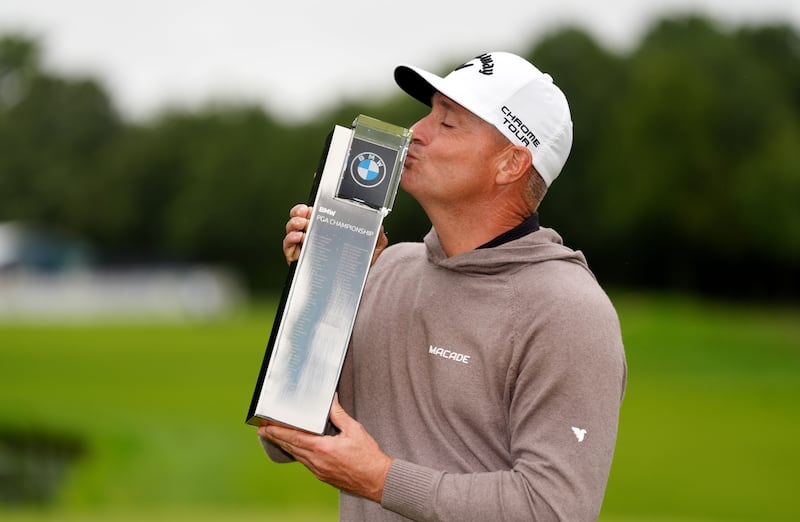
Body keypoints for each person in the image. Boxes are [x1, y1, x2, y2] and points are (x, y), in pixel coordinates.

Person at [258, 51, 627, 521]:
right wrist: (323, 288)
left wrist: (380, 478)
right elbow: (287, 433)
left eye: (448, 124)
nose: (417, 132)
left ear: (510, 164)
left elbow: (554, 510)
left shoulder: (568, 310)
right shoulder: (388, 269)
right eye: (430, 112)